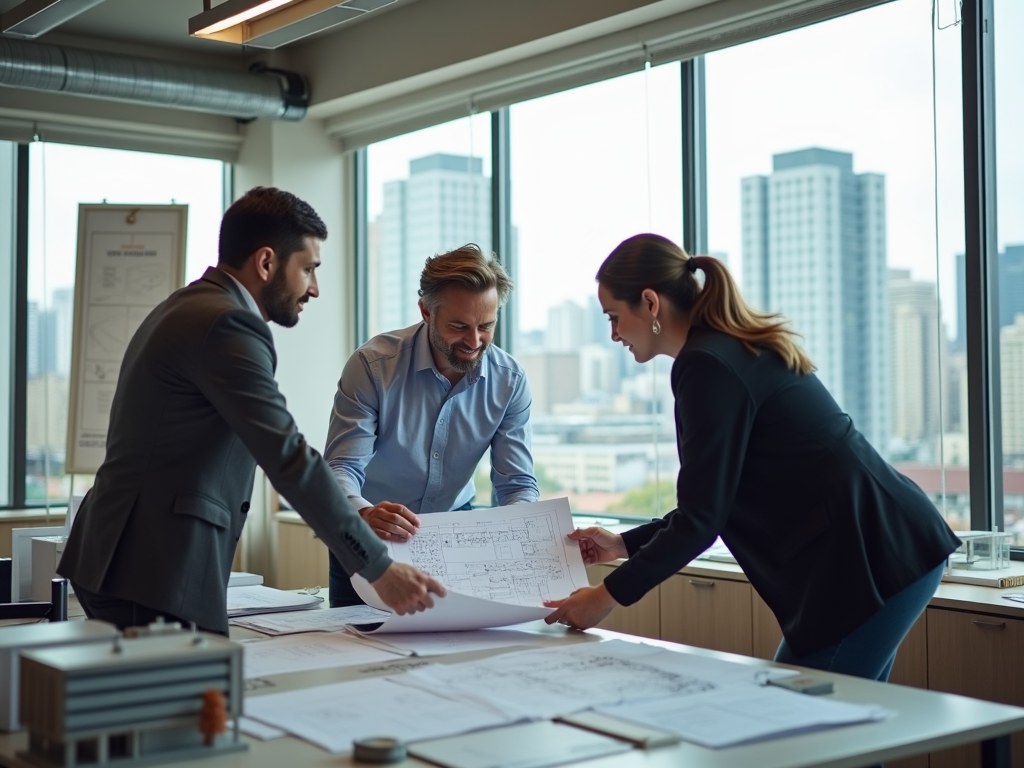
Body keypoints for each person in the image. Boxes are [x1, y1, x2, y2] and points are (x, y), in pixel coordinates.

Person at [544, 233, 959, 682]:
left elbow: (701, 520)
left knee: (805, 731)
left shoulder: (707, 366)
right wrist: (623, 545)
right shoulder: (725, 349)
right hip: (881, 547)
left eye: (614, 317)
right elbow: (713, 503)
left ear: (649, 302)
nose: (613, 334)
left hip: (868, 558)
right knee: (839, 736)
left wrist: (605, 596)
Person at [59, 187, 445, 634]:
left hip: (126, 555)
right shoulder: (227, 324)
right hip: (152, 565)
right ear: (266, 263)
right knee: (189, 698)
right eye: (308, 269)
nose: (314, 289)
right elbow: (288, 456)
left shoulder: (187, 306)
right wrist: (378, 566)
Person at [325, 244, 539, 607]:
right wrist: (362, 512)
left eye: (486, 326)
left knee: (453, 652)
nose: (474, 342)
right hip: (370, 532)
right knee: (357, 648)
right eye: (459, 327)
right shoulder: (372, 366)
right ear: (426, 311)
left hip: (455, 537)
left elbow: (517, 484)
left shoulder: (510, 381)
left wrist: (517, 530)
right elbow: (342, 465)